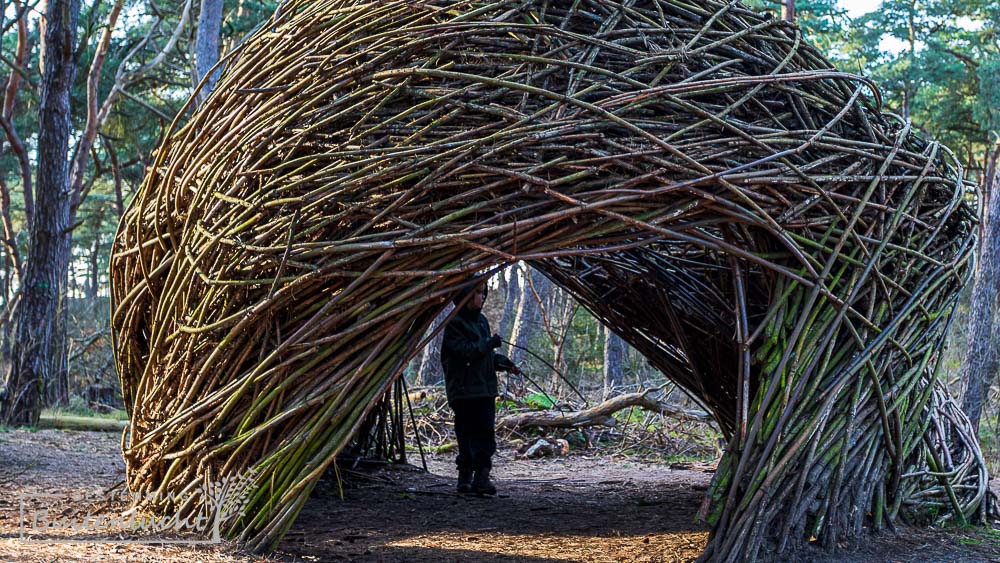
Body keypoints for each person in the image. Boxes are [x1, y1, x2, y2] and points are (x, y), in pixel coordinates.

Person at [440, 275, 520, 495]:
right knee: (466, 434)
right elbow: (465, 352)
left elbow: (485, 356)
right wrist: (488, 344)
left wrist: (504, 363)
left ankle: (481, 478)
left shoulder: (482, 321)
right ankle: (464, 476)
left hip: (484, 390)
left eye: (484, 292)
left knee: (485, 434)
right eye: (478, 293)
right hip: (464, 391)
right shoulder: (455, 323)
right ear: (466, 296)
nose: (482, 297)